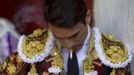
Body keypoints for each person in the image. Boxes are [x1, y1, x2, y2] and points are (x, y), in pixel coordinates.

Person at [0, 0, 132, 75]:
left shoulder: (115, 55)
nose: (69, 44)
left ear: (88, 17)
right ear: (49, 26)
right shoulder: (31, 49)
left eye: (75, 35)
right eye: (58, 37)